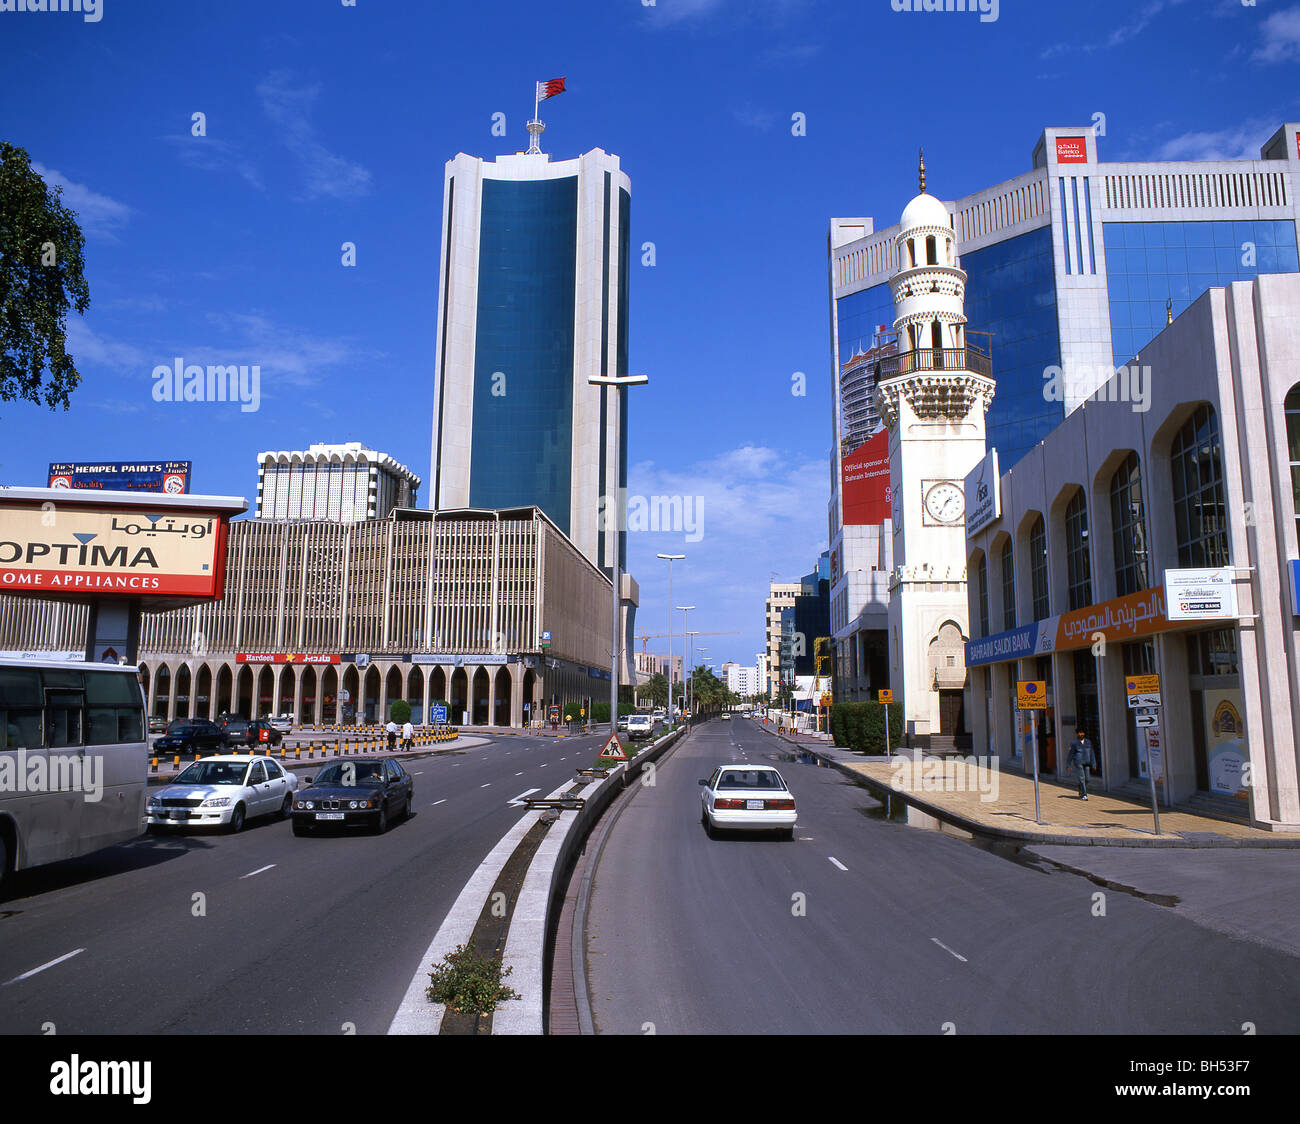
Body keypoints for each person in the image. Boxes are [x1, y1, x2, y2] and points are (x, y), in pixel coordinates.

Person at [1067, 726, 1095, 800]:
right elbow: (1071, 754)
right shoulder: (1074, 743)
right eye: (1079, 733)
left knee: (1087, 779)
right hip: (1078, 763)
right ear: (1077, 734)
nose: (1081, 734)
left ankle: (1080, 787)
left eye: (1082, 732)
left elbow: (1092, 753)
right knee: (1082, 778)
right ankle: (1084, 795)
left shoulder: (1088, 742)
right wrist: (1068, 764)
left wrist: (1094, 763)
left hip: (1087, 762)